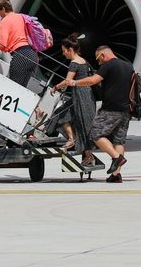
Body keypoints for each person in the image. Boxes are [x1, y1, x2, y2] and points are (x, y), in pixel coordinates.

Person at [57, 45, 133, 183]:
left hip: (111, 109)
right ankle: (116, 175)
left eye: (99, 59)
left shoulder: (108, 65)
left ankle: (117, 158)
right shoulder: (128, 66)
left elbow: (93, 80)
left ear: (103, 55)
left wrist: (74, 82)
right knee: (118, 140)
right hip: (126, 110)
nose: (99, 63)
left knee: (95, 134)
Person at [51, 34, 96, 167]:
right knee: (81, 123)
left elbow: (68, 81)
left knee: (62, 116)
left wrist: (56, 87)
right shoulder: (84, 61)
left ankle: (73, 140)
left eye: (64, 50)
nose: (63, 53)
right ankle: (85, 152)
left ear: (70, 49)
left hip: (80, 96)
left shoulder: (74, 63)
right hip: (87, 96)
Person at [0, 0, 37, 87]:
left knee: (13, 87)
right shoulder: (21, 17)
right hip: (33, 56)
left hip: (21, 56)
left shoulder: (5, 21)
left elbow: (3, 45)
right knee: (22, 89)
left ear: (3, 9)